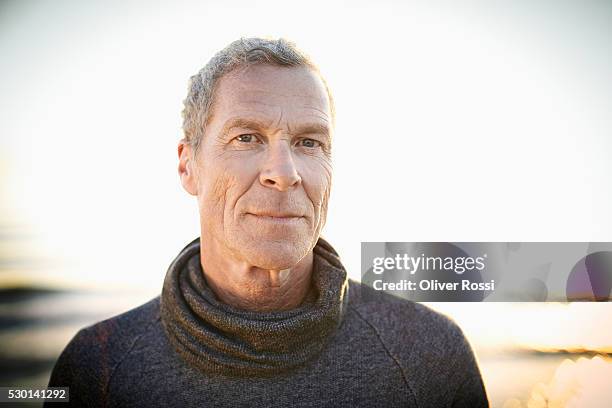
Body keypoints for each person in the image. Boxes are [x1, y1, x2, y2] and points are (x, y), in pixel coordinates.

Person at [45, 37, 489, 408]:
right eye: (247, 138)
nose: (285, 171)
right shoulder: (98, 367)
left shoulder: (430, 354)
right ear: (188, 166)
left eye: (308, 142)